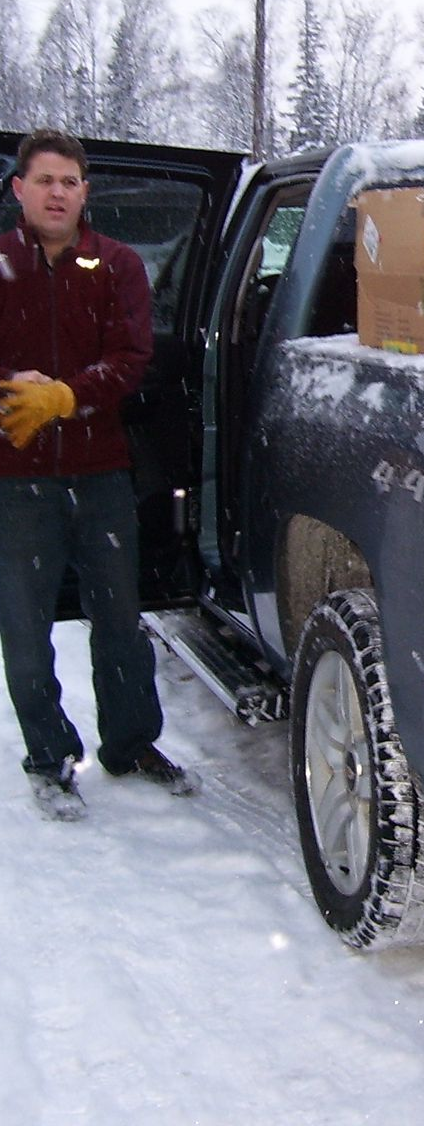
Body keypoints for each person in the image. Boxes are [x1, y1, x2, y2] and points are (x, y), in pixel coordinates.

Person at [0, 128, 194, 821]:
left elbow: (131, 356)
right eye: (45, 180)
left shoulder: (114, 266)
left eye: (70, 182)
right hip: (15, 479)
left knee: (119, 617)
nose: (58, 193)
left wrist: (66, 395)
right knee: (24, 629)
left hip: (103, 472)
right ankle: (49, 758)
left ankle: (131, 744)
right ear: (19, 189)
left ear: (85, 192)